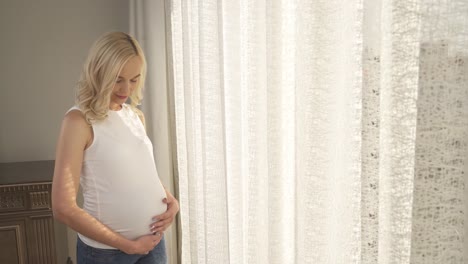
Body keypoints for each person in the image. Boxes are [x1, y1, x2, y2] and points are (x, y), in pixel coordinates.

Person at [52, 31, 179, 264]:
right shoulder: (79, 121)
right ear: (98, 72)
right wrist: (128, 246)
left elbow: (139, 172)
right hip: (106, 253)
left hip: (153, 242)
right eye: (118, 79)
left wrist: (170, 200)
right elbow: (63, 207)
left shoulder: (134, 116)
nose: (126, 89)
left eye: (134, 79)